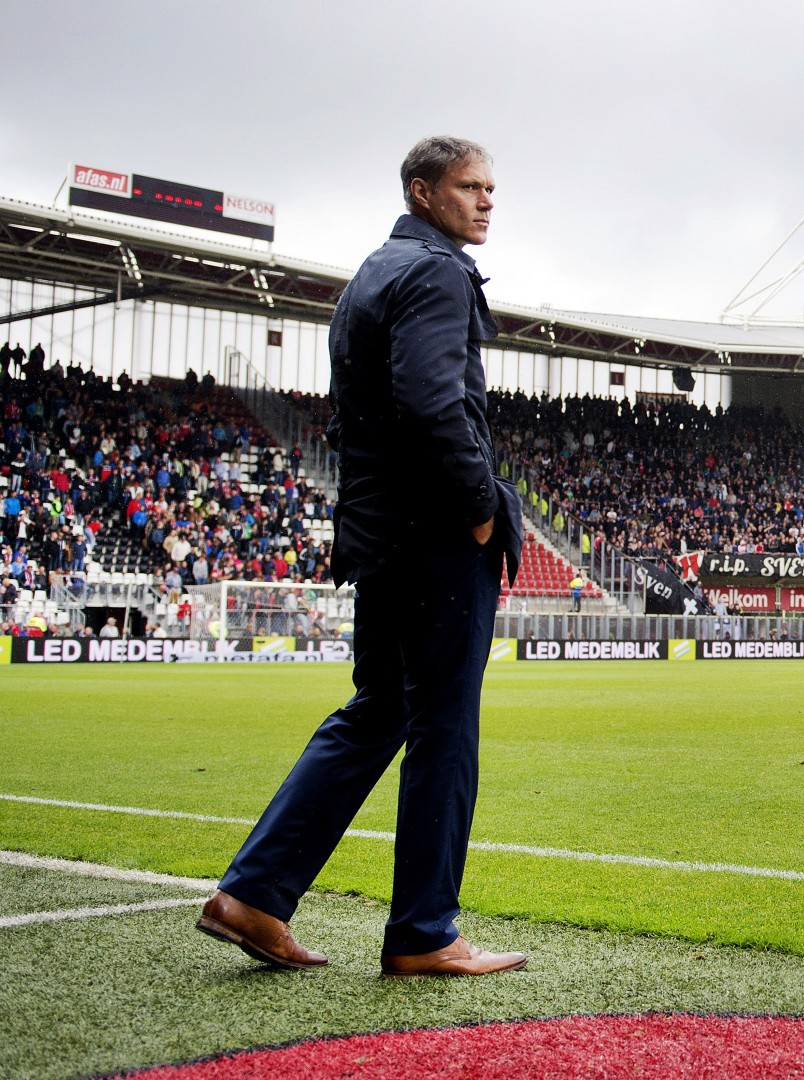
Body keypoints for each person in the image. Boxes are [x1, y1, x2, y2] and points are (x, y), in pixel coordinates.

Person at [198, 137, 525, 978]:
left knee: (379, 710)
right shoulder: (439, 272)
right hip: (437, 535)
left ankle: (254, 895)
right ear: (423, 191)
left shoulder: (372, 273)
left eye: (493, 187)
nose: (486, 201)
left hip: (379, 532)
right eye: (468, 187)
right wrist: (483, 509)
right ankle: (423, 931)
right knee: (444, 725)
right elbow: (431, 400)